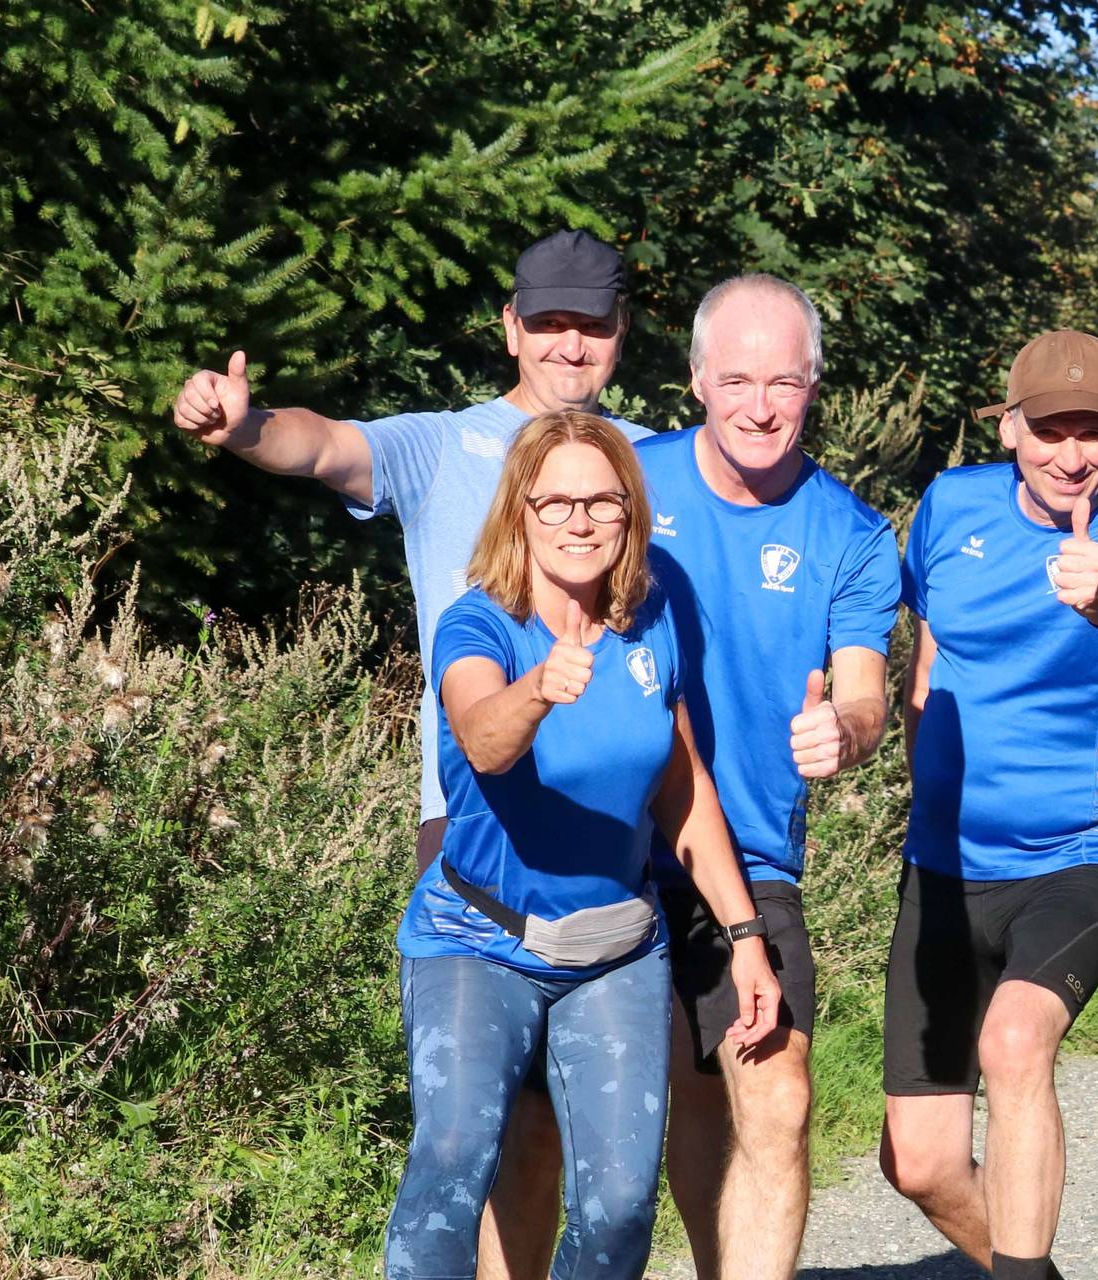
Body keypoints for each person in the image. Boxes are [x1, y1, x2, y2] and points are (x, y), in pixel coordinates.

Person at [171, 229, 653, 1278]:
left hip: (617, 835)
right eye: (551, 322)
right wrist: (244, 420)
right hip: (471, 828)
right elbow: (324, 445)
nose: (572, 345)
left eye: (594, 324)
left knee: (581, 1157)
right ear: (511, 326)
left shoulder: (648, 462)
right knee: (468, 1138)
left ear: (622, 333)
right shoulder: (446, 445)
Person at [386, 409, 778, 1280]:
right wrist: (536, 692)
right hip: (477, 940)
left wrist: (745, 937)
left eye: (603, 502)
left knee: (619, 1207)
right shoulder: (478, 624)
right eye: (555, 502)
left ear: (630, 516)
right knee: (452, 1159)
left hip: (616, 951)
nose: (580, 521)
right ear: (518, 512)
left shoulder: (651, 623)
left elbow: (683, 791)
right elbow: (483, 741)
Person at [875, 330, 1098, 1280]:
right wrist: (920, 768)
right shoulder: (950, 507)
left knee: (1016, 1041)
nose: (1071, 455)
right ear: (1010, 426)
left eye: (1092, 431)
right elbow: (927, 657)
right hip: (944, 858)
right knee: (921, 1162)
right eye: (1050, 430)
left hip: (1084, 848)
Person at [632, 275, 901, 1280]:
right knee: (670, 1100)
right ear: (697, 378)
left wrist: (848, 728)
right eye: (736, 378)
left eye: (782, 381)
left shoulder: (854, 534)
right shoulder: (624, 479)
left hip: (748, 853)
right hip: (612, 844)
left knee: (777, 1092)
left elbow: (869, 691)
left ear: (814, 385)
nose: (758, 404)